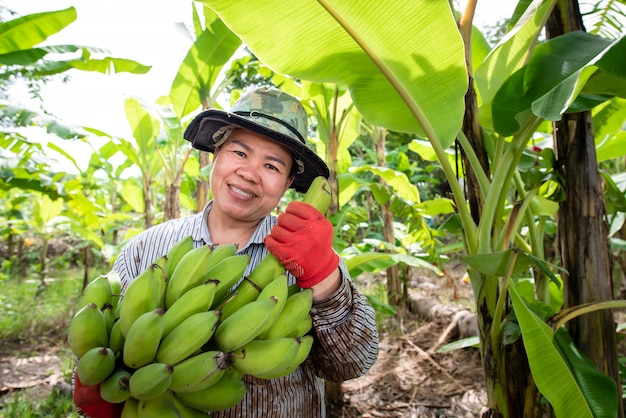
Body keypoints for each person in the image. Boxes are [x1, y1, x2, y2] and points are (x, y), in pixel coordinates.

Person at [73, 86, 379, 417]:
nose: (249, 174)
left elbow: (353, 364)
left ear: (289, 182)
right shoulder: (148, 248)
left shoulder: (307, 258)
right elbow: (103, 335)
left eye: (272, 167)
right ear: (216, 154)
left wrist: (325, 279)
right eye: (240, 153)